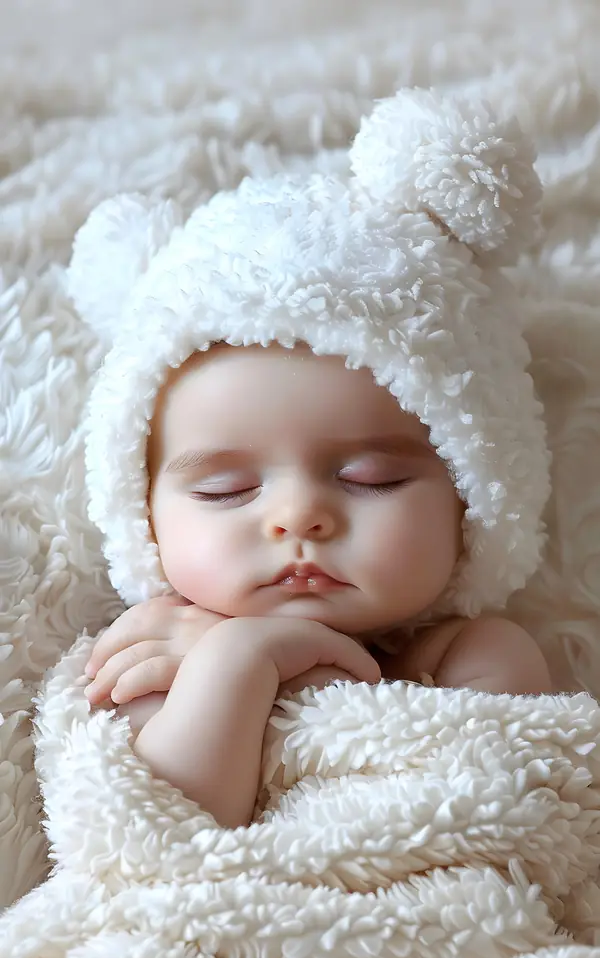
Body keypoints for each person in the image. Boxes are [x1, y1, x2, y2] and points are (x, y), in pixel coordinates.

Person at [68, 87, 552, 827]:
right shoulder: (161, 654)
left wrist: (296, 663)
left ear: (472, 493)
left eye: (371, 478)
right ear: (145, 516)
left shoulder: (480, 657)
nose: (300, 517)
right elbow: (164, 835)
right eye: (227, 489)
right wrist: (238, 660)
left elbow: (476, 811)